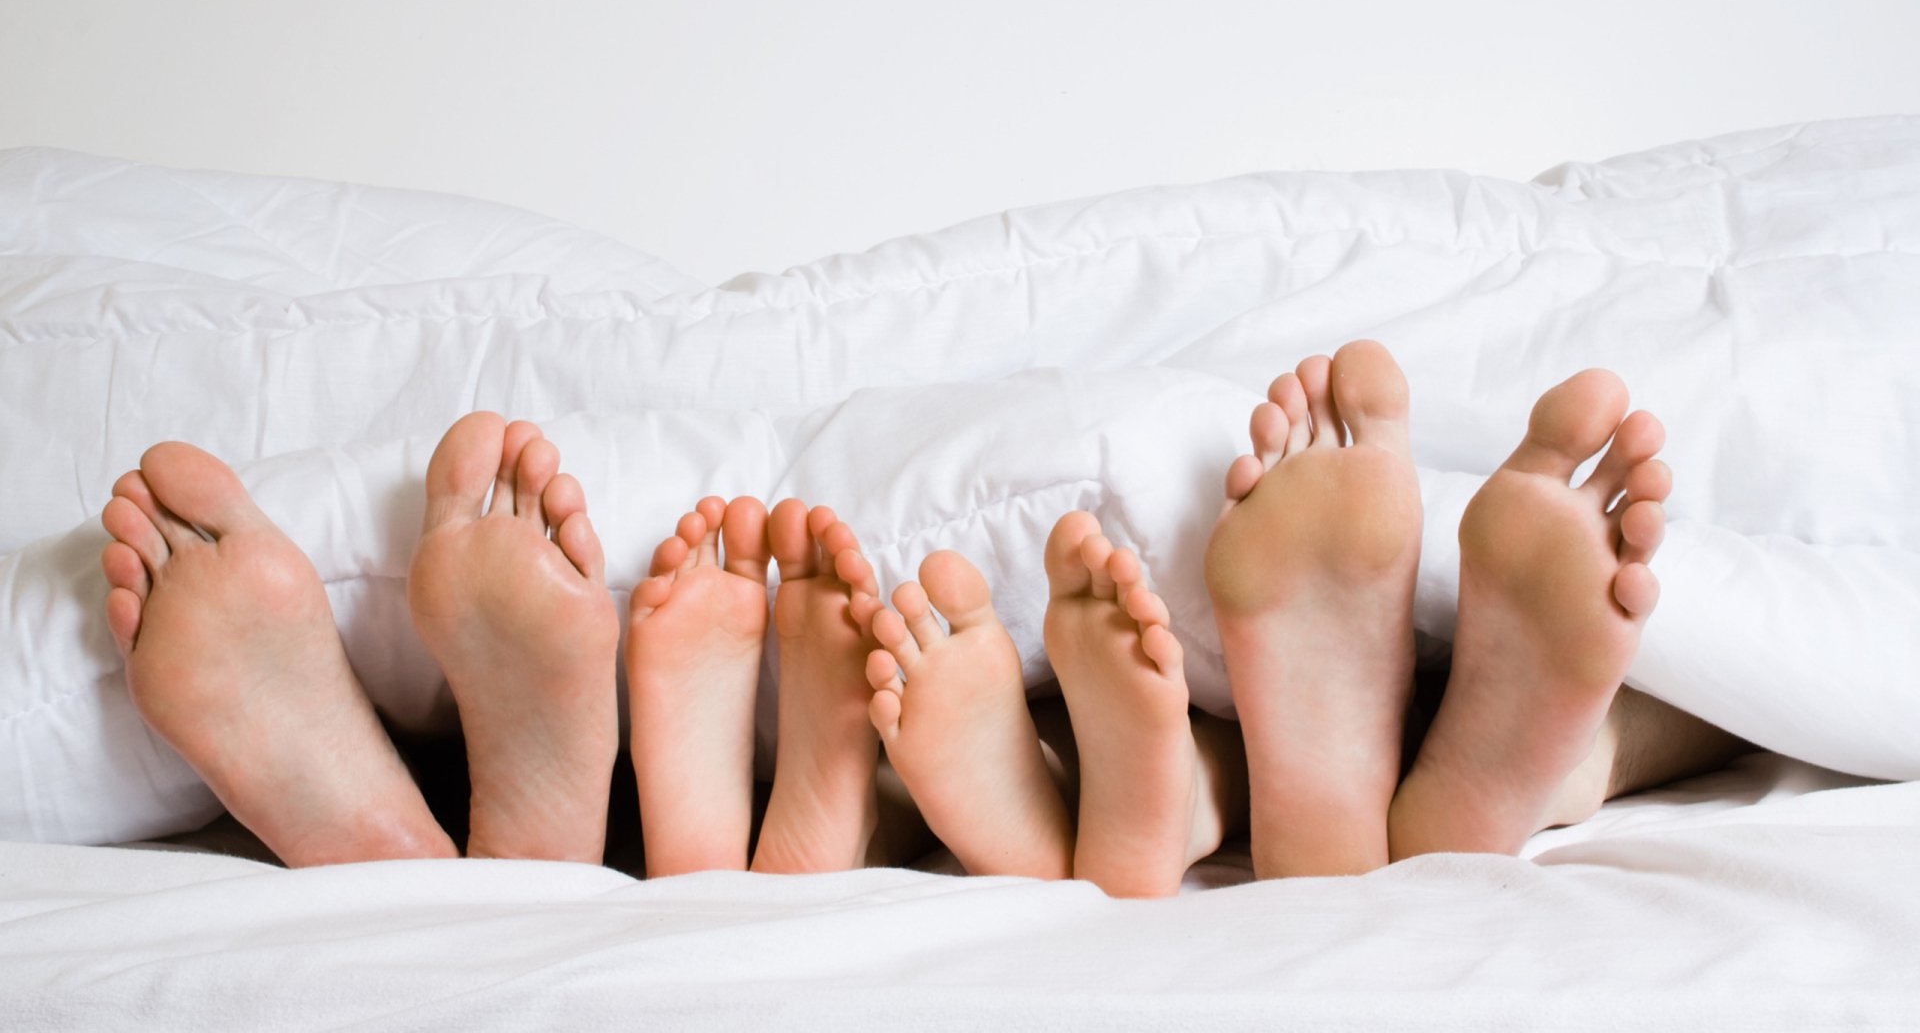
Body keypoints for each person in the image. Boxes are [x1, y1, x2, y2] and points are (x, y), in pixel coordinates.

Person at [95, 341, 1747, 883]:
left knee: (1709, 700)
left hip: (1090, 744)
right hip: (1166, 753)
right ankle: (1377, 794)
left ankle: (427, 842)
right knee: (1669, 718)